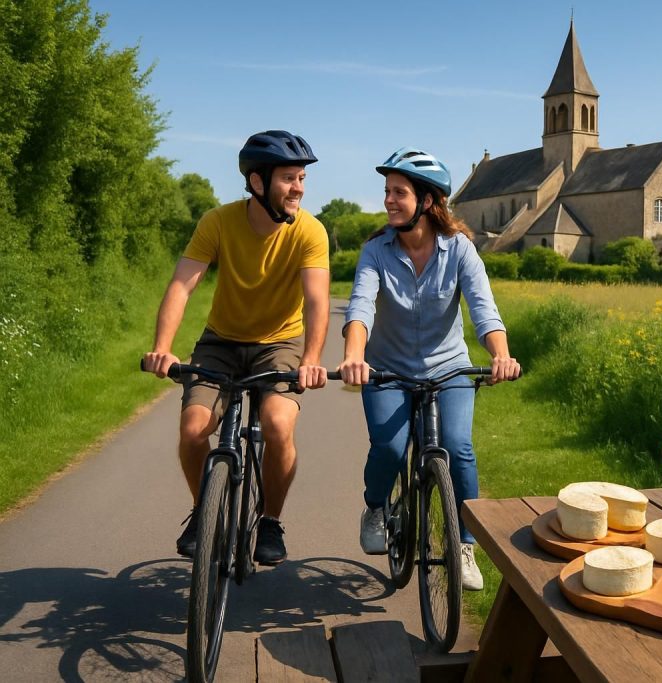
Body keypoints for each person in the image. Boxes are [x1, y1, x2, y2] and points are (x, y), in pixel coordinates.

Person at [143, 129, 330, 566]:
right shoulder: (218, 221)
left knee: (278, 425)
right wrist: (162, 348)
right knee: (193, 430)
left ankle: (270, 521)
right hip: (221, 341)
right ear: (258, 182)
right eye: (289, 178)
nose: (299, 187)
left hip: (279, 342)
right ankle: (204, 512)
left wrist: (312, 360)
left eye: (302, 178)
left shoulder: (311, 231)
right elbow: (181, 285)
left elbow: (318, 300)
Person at [338, 147, 520, 591]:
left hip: (448, 368)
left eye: (398, 192)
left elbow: (484, 311)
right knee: (390, 447)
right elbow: (360, 307)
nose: (388, 200)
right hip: (387, 369)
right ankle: (377, 506)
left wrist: (501, 354)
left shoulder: (459, 250)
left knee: (458, 448)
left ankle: (465, 545)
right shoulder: (375, 251)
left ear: (428, 201)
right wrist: (353, 355)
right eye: (387, 192)